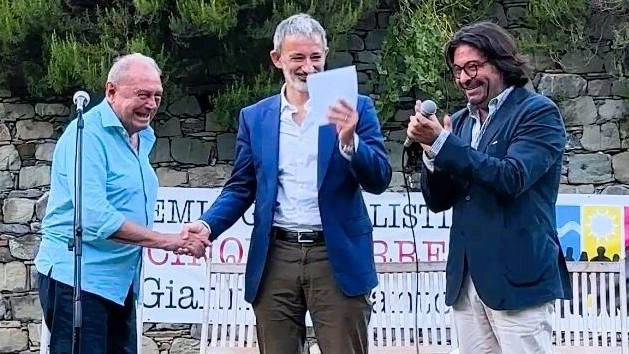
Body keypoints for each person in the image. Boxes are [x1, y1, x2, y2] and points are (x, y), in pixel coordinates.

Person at [181, 13, 391, 354]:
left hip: (335, 256)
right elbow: (240, 186)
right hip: (276, 256)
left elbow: (380, 179)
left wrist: (350, 142)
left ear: (325, 55)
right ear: (277, 59)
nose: (308, 68)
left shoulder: (353, 106)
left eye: (315, 57)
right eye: (298, 58)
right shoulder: (255, 117)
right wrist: (207, 225)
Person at [406, 21, 571, 353]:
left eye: (473, 67)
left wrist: (441, 143)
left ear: (501, 62)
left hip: (518, 281)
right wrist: (431, 155)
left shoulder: (537, 113)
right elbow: (439, 201)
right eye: (458, 71)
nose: (465, 78)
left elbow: (511, 177)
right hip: (467, 282)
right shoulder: (461, 122)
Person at [35, 53, 210, 354]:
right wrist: (169, 241)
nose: (152, 104)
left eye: (157, 96)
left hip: (120, 284)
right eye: (142, 95)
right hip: (78, 281)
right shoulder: (86, 135)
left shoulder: (142, 138)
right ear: (111, 91)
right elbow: (95, 218)